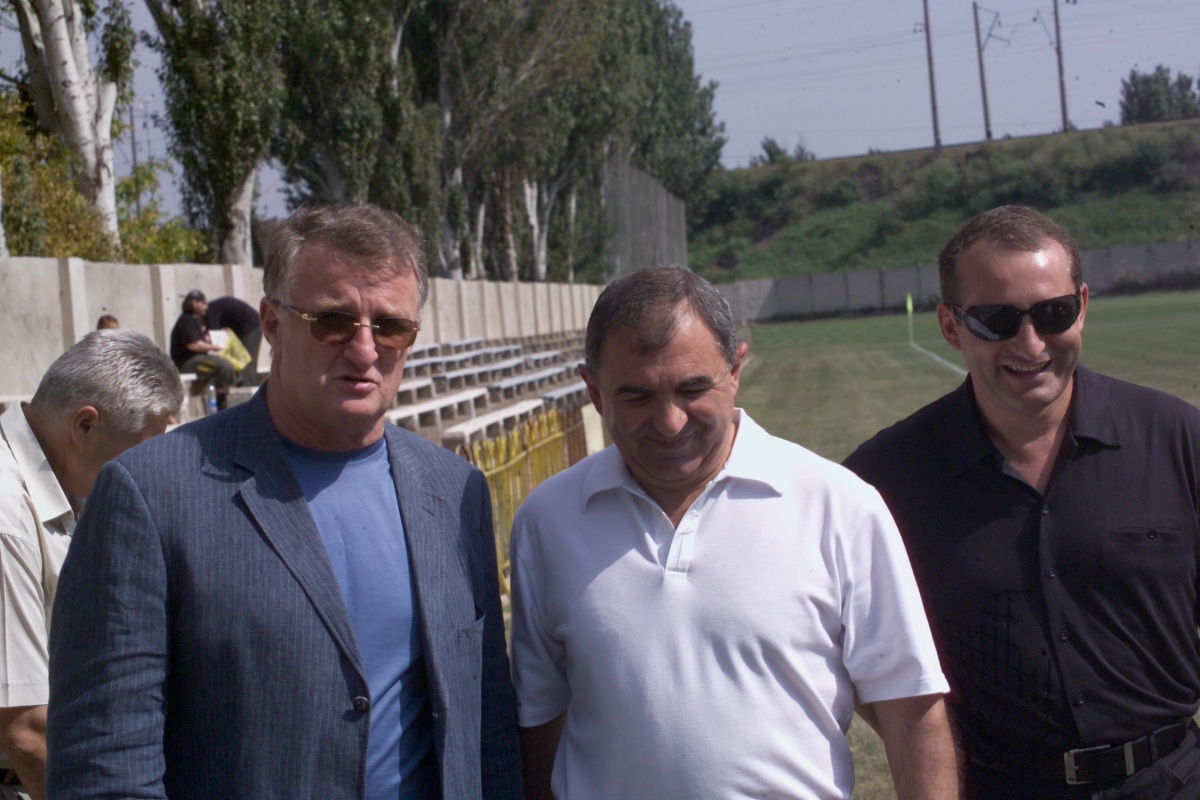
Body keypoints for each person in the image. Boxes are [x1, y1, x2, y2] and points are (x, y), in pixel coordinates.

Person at [47, 204, 522, 799]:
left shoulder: (456, 492)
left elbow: (487, 728)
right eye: (334, 322)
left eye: (391, 327)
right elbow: (106, 767)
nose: (365, 350)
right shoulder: (149, 495)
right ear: (272, 323)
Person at [509, 265, 958, 800]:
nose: (670, 421)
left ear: (737, 368)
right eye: (637, 397)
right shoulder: (547, 521)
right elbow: (538, 721)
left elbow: (912, 711)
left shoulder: (838, 506)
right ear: (593, 391)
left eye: (693, 388)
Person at [843, 205, 1200, 799]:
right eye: (997, 320)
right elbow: (849, 651)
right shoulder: (884, 480)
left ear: (1082, 306)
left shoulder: (1176, 439)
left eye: (1052, 313)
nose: (1030, 343)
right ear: (951, 326)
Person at [0, 330, 182, 800]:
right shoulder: (7, 515)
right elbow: (25, 730)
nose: (150, 472)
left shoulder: (72, 480)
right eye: (143, 451)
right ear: (84, 426)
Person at [168, 289, 234, 407]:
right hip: (185, 364)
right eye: (203, 303)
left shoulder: (192, 320)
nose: (206, 307)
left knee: (225, 364)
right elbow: (194, 345)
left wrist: (221, 334)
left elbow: (202, 340)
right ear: (194, 303)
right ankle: (223, 402)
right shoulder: (187, 320)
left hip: (195, 361)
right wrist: (214, 347)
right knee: (224, 366)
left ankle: (223, 395)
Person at [205, 295, 263, 384]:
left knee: (247, 361)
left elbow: (214, 336)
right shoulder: (214, 308)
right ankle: (248, 384)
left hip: (251, 327)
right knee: (246, 361)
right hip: (249, 326)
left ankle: (248, 387)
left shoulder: (210, 312)